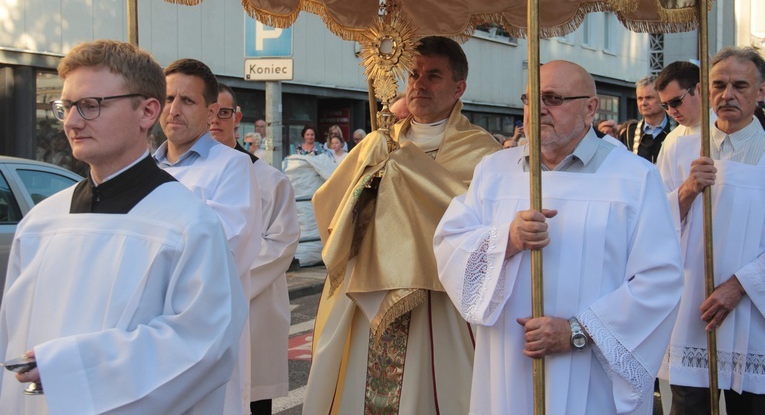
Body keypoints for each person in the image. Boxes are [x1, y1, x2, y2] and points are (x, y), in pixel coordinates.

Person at [0, 40, 247, 413]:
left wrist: (73, 367)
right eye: (65, 107)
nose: (71, 122)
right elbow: (12, 338)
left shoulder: (188, 224)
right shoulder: (40, 222)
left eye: (90, 105)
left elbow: (203, 346)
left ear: (147, 111)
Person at [434, 60, 684, 415]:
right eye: (529, 98)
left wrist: (577, 332)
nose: (537, 110)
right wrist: (506, 240)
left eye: (552, 98)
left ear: (590, 108)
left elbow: (660, 280)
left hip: (591, 371)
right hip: (508, 360)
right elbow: (449, 245)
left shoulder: (633, 178)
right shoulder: (494, 171)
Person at [303, 36, 501, 414]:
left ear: (459, 87)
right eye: (413, 74)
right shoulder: (378, 141)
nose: (419, 84)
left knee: (432, 391)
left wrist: (404, 166)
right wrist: (366, 187)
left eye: (433, 76)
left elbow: (476, 224)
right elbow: (332, 208)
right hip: (367, 293)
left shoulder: (482, 151)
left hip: (439, 299)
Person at [657, 47, 765, 414]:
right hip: (692, 309)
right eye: (718, 85)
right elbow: (651, 225)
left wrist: (741, 285)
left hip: (754, 310)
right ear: (705, 90)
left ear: (761, 92)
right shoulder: (679, 146)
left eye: (740, 85)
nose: (727, 95)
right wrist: (686, 192)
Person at [154, 58, 261, 415]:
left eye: (187, 101)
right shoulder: (144, 168)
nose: (174, 109)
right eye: (168, 98)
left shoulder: (232, 166)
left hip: (200, 328)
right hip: (146, 330)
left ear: (211, 110)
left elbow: (223, 249)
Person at [210, 83, 300, 415]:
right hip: (201, 305)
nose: (215, 120)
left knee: (253, 398)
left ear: (237, 117)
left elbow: (281, 243)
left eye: (224, 112)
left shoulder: (269, 180)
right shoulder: (181, 175)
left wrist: (223, 279)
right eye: (210, 112)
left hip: (253, 303)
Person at [655, 62, 708, 160]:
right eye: (665, 106)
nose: (671, 112)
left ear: (700, 90)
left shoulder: (727, 131)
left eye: (675, 102)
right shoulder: (671, 140)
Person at [620, 75, 674, 163]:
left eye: (649, 98)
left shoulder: (679, 130)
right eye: (640, 98)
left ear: (662, 99)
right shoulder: (629, 133)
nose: (643, 103)